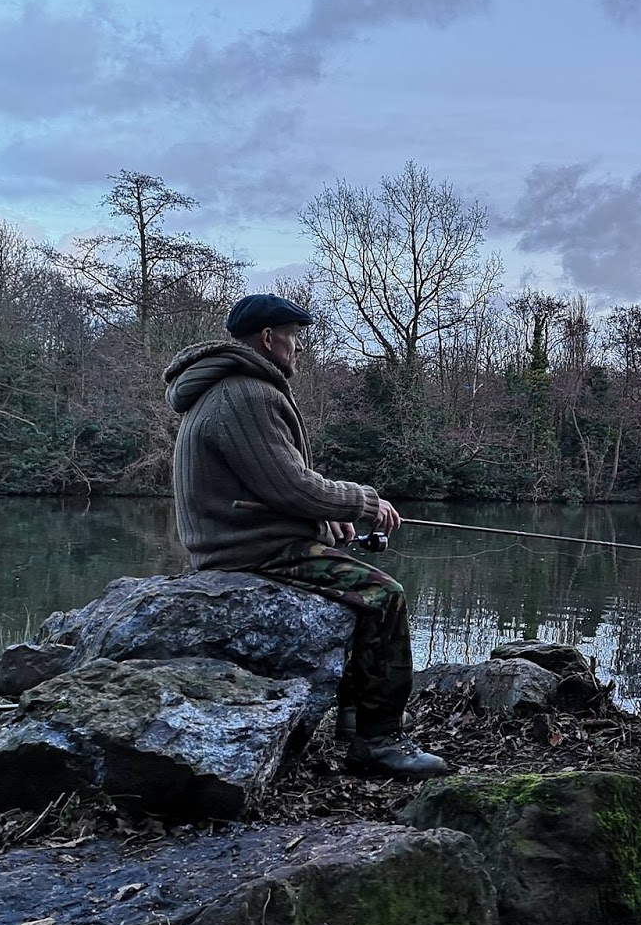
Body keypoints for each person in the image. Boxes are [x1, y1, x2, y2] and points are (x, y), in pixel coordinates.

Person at [162, 292, 447, 778]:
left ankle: (353, 717)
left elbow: (269, 483)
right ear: (270, 338)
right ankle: (378, 741)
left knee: (365, 594)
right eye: (295, 338)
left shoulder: (228, 389)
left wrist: (322, 519)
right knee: (384, 594)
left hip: (243, 539)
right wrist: (362, 502)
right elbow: (291, 485)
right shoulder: (246, 395)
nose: (299, 348)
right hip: (251, 550)